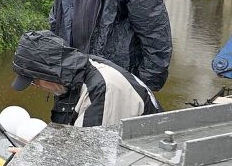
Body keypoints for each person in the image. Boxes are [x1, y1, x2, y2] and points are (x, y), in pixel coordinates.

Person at [11, 30, 162, 127]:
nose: (35, 86)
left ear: (47, 73)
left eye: (33, 81)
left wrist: (35, 155)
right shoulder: (67, 77)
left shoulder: (101, 89)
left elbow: (87, 155)